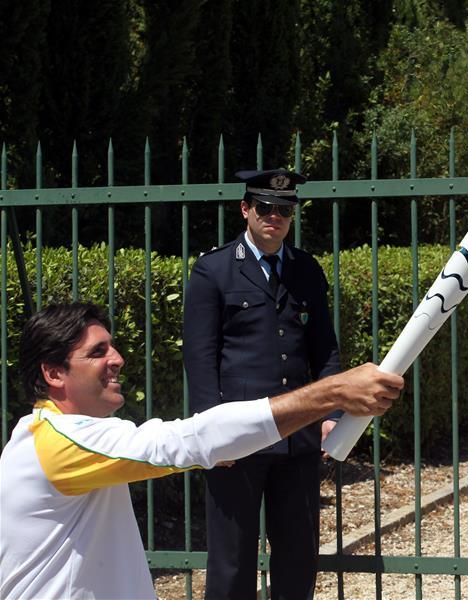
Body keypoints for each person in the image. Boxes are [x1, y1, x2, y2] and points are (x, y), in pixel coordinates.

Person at [0, 303, 401, 599]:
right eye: (97, 352)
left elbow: (184, 448)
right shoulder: (55, 443)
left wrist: (209, 450)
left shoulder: (64, 439)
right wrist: (332, 391)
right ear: (53, 373)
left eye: (112, 347)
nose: (118, 360)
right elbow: (183, 440)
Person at [183, 168, 340, 599]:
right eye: (266, 208)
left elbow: (324, 348)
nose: (275, 217)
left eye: (284, 211)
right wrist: (211, 433)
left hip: (298, 433)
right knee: (232, 559)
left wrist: (333, 416)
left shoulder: (306, 270)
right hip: (238, 435)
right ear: (246, 210)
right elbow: (199, 357)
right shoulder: (214, 270)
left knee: (297, 555)